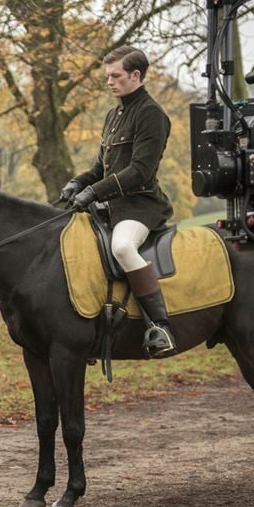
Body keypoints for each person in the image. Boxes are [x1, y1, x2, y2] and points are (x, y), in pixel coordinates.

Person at [59, 46, 177, 358]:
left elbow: (139, 172)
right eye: (107, 77)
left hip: (140, 206)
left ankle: (159, 326)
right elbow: (101, 168)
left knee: (122, 247)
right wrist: (78, 183)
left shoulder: (151, 114)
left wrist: (94, 192)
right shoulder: (114, 114)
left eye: (116, 76)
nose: (110, 82)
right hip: (109, 207)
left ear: (136, 75)